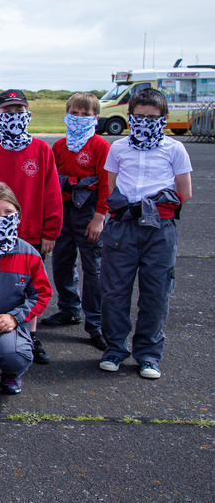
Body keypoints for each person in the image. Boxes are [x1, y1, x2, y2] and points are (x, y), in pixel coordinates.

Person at [98, 88, 192, 379]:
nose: (145, 121)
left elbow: (184, 193)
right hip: (122, 227)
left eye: (152, 117)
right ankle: (114, 348)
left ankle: (148, 354)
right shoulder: (119, 148)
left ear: (163, 119)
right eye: (139, 117)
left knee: (156, 294)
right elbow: (112, 188)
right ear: (130, 117)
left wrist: (153, 205)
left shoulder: (174, 149)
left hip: (159, 230)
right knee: (114, 292)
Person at [0, 89, 62, 365]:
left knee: (30, 287)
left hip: (31, 234)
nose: (14, 117)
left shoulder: (41, 149)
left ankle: (29, 337)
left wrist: (50, 231)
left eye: (19, 111)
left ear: (28, 114)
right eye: (8, 112)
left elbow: (52, 191)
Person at [0, 182, 51, 399]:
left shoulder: (29, 254)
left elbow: (42, 294)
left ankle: (11, 373)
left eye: (8, 212)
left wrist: (15, 317)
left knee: (12, 355)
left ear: (18, 214)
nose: (2, 217)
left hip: (9, 326)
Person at [42, 92, 111, 350]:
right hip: (64, 210)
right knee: (61, 262)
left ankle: (96, 323)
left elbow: (107, 185)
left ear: (96, 118)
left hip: (89, 211)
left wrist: (99, 217)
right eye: (74, 114)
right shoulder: (59, 146)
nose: (79, 118)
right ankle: (70, 308)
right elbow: (50, 183)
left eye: (85, 115)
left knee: (93, 268)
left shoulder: (100, 147)